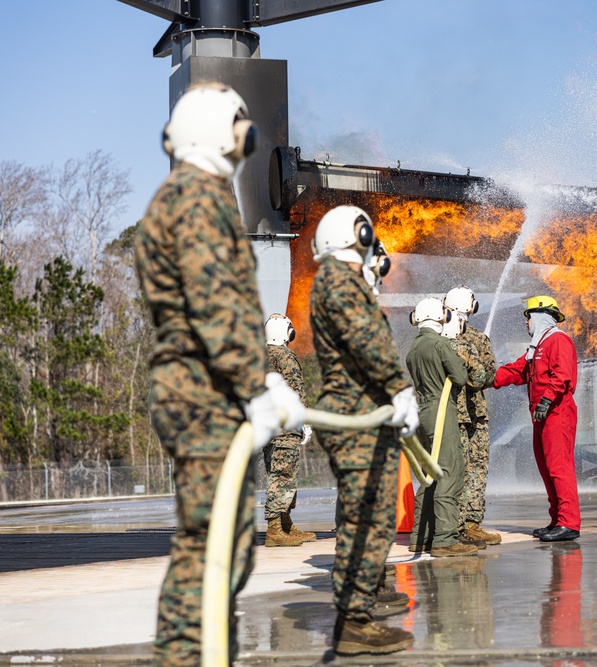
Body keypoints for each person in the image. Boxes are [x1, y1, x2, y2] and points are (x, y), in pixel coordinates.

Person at [135, 82, 306, 667]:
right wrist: (257, 384)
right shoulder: (199, 198)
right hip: (205, 389)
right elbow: (217, 309)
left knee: (216, 541)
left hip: (201, 384)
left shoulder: (183, 194)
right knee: (212, 547)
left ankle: (202, 650)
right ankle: (189, 654)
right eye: (241, 125)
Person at [309, 204, 419, 654]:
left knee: (372, 517)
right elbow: (365, 339)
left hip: (363, 413)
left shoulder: (344, 281)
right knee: (366, 518)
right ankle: (354, 621)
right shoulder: (337, 280)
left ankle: (359, 612)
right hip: (356, 415)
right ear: (358, 233)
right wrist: (399, 389)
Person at [494, 295, 581, 542]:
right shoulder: (538, 346)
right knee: (546, 469)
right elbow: (518, 370)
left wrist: (545, 400)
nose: (526, 322)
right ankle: (557, 520)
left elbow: (562, 375)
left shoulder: (558, 341)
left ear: (541, 316)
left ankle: (569, 523)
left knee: (559, 468)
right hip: (541, 415)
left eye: (528, 316)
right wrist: (488, 379)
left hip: (556, 412)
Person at [406, 297, 477, 556]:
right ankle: (445, 540)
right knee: (449, 471)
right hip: (440, 410)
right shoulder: (440, 344)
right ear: (441, 318)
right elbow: (459, 377)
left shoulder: (414, 347)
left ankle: (420, 537)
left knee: (429, 475)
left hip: (421, 412)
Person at [445, 286, 502, 546]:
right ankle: (460, 525)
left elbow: (488, 376)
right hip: (463, 413)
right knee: (466, 467)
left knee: (472, 466)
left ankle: (468, 524)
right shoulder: (473, 340)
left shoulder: (469, 339)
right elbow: (488, 376)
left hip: (468, 413)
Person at [262, 313, 316, 547]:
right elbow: (295, 389)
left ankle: (285, 524)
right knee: (283, 476)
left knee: (276, 474)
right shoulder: (285, 356)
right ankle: (275, 529)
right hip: (285, 427)